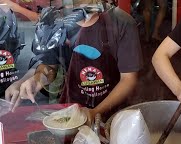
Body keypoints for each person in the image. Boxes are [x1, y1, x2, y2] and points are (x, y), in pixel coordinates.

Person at [6, 0, 143, 123]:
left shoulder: (121, 22)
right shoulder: (57, 22)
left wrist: (95, 112)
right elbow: (50, 68)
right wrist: (37, 80)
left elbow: (128, 79)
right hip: (72, 111)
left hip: (114, 115)